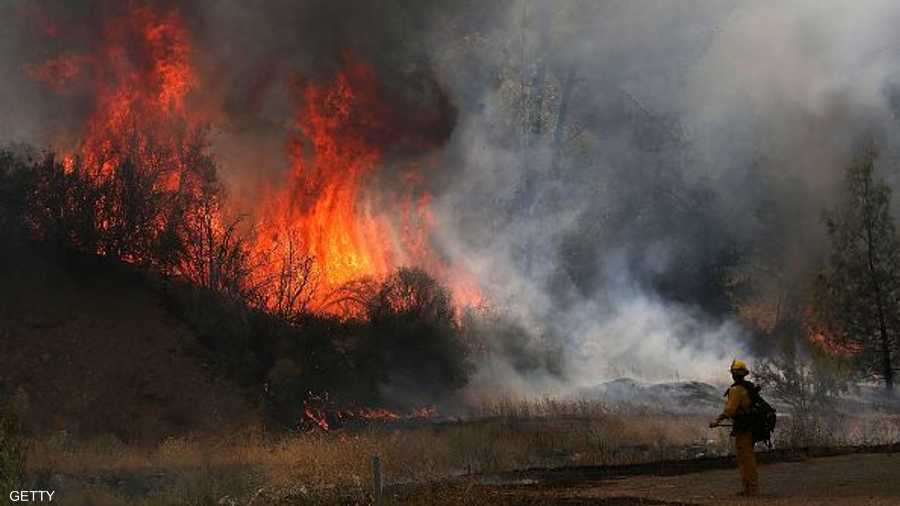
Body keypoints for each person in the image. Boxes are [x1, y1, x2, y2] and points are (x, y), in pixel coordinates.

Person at [709, 359, 759, 496]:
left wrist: (717, 421)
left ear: (733, 374)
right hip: (750, 427)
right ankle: (750, 488)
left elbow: (729, 410)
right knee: (748, 456)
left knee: (745, 458)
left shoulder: (736, 389)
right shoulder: (748, 386)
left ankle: (750, 489)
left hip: (744, 428)